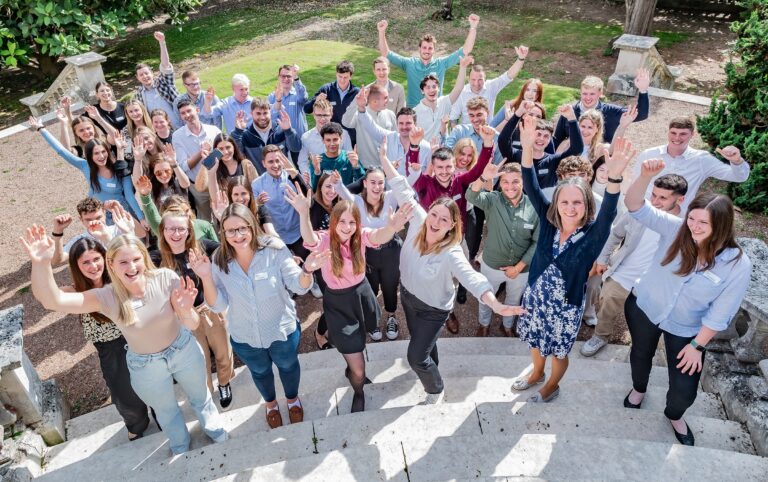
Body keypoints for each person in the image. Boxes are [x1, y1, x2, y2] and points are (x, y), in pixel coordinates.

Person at [23, 229, 228, 455]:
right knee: (166, 411)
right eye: (123, 262)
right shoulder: (106, 296)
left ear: (144, 257)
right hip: (145, 366)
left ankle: (214, 428)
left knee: (201, 397)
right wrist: (41, 263)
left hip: (183, 351)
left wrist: (186, 311)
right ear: (111, 264)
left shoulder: (166, 278)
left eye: (136, 259)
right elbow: (53, 300)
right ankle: (180, 444)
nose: (131, 267)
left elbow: (192, 324)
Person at [378, 140, 524, 404]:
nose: (436, 222)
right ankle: (431, 364)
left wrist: (495, 304)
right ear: (428, 212)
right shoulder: (418, 220)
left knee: (415, 357)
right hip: (409, 299)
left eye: (444, 220)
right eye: (434, 215)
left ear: (452, 226)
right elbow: (400, 186)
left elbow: (472, 277)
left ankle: (435, 391)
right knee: (426, 348)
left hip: (434, 309)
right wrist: (384, 158)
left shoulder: (452, 250)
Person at [622, 159, 751, 446]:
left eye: (703, 222)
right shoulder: (676, 228)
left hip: (687, 329)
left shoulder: (737, 264)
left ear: (722, 225)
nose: (693, 226)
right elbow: (635, 205)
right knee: (640, 354)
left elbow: (722, 311)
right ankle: (638, 389)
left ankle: (674, 415)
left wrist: (697, 346)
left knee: (684, 388)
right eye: (692, 218)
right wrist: (644, 177)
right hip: (645, 308)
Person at [512, 115, 634, 403]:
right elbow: (529, 183)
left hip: (566, 307)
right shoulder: (549, 220)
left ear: (587, 203)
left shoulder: (594, 233)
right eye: (564, 201)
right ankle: (535, 373)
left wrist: (615, 176)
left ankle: (550, 385)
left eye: (577, 202)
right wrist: (527, 148)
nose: (570, 207)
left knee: (558, 351)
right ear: (556, 202)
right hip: (536, 298)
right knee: (535, 342)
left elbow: (610, 209)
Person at [190, 204, 325, 427]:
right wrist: (205, 277)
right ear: (223, 232)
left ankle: (292, 400)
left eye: (242, 228)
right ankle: (270, 404)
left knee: (288, 367)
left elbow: (298, 286)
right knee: (260, 372)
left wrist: (307, 271)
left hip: (281, 330)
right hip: (245, 336)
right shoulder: (218, 259)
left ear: (252, 226)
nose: (238, 235)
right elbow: (218, 304)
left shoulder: (274, 248)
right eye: (230, 231)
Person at [285, 183, 413, 413]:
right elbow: (309, 238)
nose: (347, 226)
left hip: (361, 295)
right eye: (341, 221)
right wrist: (304, 214)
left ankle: (353, 370)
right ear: (333, 222)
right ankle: (358, 389)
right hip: (338, 303)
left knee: (360, 340)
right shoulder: (325, 239)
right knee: (359, 366)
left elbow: (378, 235)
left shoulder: (361, 236)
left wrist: (392, 227)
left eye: (351, 222)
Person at [581, 173, 688, 357]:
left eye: (663, 197)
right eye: (654, 194)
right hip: (624, 273)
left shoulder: (686, 225)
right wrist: (602, 259)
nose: (655, 201)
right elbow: (615, 234)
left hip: (655, 283)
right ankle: (600, 335)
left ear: (681, 199)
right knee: (607, 300)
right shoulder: (640, 211)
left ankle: (641, 349)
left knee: (646, 319)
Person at [407, 125, 494, 332]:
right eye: (440, 168)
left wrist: (488, 144)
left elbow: (479, 168)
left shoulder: (460, 182)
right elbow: (412, 167)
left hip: (457, 240)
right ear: (433, 167)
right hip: (432, 244)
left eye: (448, 167)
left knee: (462, 273)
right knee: (435, 278)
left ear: (454, 166)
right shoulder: (424, 183)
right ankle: (444, 312)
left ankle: (451, 304)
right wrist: (414, 145)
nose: (444, 172)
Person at [63, 238, 150, 440]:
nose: (93, 266)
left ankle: (162, 415)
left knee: (152, 381)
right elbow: (48, 297)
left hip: (137, 337)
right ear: (76, 266)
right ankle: (137, 425)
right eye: (85, 262)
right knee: (123, 393)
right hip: (110, 349)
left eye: (96, 259)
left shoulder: (120, 279)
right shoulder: (75, 291)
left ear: (106, 258)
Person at [152, 211, 235, 409]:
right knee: (199, 359)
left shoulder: (203, 246)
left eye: (181, 228)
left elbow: (232, 251)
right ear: (162, 231)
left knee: (223, 350)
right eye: (171, 228)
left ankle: (224, 383)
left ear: (189, 230)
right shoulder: (155, 257)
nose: (177, 233)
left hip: (210, 308)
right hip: (183, 317)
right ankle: (206, 391)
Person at [466, 162, 539, 337]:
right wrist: (484, 177)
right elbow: (471, 195)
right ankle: (484, 324)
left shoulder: (535, 207)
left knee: (514, 299)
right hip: (492, 264)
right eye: (505, 181)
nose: (510, 186)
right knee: (486, 297)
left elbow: (537, 242)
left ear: (523, 182)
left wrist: (518, 267)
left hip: (521, 268)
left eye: (515, 181)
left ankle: (506, 326)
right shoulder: (493, 200)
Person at [31, 117, 146, 227]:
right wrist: (41, 129)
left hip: (126, 213)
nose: (101, 156)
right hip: (104, 216)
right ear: (89, 156)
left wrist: (141, 218)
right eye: (96, 153)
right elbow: (61, 150)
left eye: (103, 152)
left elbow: (130, 196)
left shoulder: (118, 167)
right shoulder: (85, 166)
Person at [334, 168, 402, 341]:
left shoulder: (391, 197)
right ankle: (372, 321)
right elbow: (341, 191)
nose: (377, 187)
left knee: (390, 285)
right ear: (364, 183)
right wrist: (338, 182)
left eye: (380, 182)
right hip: (367, 251)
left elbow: (406, 185)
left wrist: (415, 168)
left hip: (390, 250)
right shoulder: (357, 200)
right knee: (369, 288)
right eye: (372, 182)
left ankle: (391, 316)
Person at [633, 116, 751, 212]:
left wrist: (737, 161)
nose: (677, 138)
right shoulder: (649, 154)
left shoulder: (701, 159)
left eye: (683, 134)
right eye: (673, 133)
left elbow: (739, 177)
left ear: (692, 134)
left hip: (676, 218)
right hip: (644, 211)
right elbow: (634, 184)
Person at [377, 15, 479, 106]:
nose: (427, 51)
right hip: (413, 114)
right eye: (424, 48)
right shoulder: (409, 63)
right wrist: (381, 32)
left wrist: (473, 27)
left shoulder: (441, 64)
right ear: (419, 49)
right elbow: (386, 53)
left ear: (434, 50)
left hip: (435, 113)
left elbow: (465, 50)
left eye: (430, 48)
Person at [553, 70, 650, 149]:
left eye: (592, 94)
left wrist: (643, 90)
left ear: (600, 93)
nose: (588, 97)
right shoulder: (570, 111)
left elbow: (641, 114)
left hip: (600, 160)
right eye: (585, 93)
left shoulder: (611, 111)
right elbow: (557, 139)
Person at [498, 105, 583, 188]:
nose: (541, 139)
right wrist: (518, 114)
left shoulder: (554, 161)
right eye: (538, 134)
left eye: (546, 136)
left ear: (550, 140)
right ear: (531, 135)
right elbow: (503, 140)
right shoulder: (515, 155)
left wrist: (572, 118)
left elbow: (577, 149)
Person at [251, 145, 310, 257]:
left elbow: (309, 199)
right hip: (276, 236)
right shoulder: (257, 184)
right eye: (271, 162)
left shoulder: (293, 177)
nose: (275, 165)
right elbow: (252, 211)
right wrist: (257, 203)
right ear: (263, 163)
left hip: (299, 233)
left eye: (278, 161)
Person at [172, 99, 223, 221]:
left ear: (197, 110)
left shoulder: (214, 130)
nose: (187, 115)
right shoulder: (178, 136)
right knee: (204, 219)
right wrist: (201, 153)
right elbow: (184, 166)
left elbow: (223, 153)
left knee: (222, 216)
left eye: (189, 111)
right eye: (183, 113)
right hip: (198, 186)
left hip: (217, 182)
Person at [451, 47, 528, 125]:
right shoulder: (461, 92)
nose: (476, 83)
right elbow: (453, 118)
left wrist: (521, 58)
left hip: (488, 129)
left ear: (485, 79)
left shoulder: (491, 86)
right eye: (473, 80)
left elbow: (509, 75)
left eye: (480, 80)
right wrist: (458, 136)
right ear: (468, 79)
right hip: (468, 133)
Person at [50, 199, 137, 266]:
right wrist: (58, 232)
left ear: (105, 213)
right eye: (88, 220)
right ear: (81, 220)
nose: (94, 222)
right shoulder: (80, 240)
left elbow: (138, 246)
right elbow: (56, 260)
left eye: (98, 217)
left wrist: (121, 212)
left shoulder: (118, 229)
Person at [308, 172, 340, 349]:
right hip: (322, 264)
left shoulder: (339, 204)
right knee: (332, 302)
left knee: (341, 299)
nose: (331, 190)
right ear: (319, 188)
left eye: (334, 186)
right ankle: (319, 333)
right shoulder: (313, 205)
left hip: (340, 261)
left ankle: (336, 326)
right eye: (327, 186)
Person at [413, 55, 472, 143]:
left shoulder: (445, 102)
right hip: (424, 152)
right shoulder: (415, 112)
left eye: (434, 86)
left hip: (442, 151)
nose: (432, 90)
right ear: (422, 91)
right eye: (428, 87)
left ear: (439, 88)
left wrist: (463, 67)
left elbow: (458, 88)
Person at [356, 105, 431, 173]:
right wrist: (362, 108)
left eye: (408, 123)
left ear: (415, 124)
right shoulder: (389, 138)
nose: (404, 127)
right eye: (401, 123)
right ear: (397, 124)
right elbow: (372, 127)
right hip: (391, 188)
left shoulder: (427, 148)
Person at [232, 99, 300, 173]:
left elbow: (296, 148)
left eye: (265, 113)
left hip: (283, 180)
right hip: (258, 182)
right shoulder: (245, 135)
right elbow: (237, 156)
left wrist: (288, 131)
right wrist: (238, 132)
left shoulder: (281, 129)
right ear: (251, 114)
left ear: (270, 112)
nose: (262, 117)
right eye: (258, 113)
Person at [304, 60, 361, 145]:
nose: (342, 80)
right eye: (340, 76)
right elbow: (306, 109)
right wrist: (315, 100)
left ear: (351, 76)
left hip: (351, 138)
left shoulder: (357, 93)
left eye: (345, 77)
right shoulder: (326, 89)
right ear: (336, 74)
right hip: (330, 137)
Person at [133, 31, 182, 129]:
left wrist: (162, 43)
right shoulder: (138, 95)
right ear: (138, 78)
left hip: (179, 124)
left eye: (146, 73)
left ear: (152, 73)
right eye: (141, 75)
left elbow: (165, 65)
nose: (145, 76)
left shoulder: (163, 82)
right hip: (161, 131)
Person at [342, 84, 396, 168]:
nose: (389, 100)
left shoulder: (390, 114)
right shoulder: (358, 114)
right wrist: (356, 102)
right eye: (385, 98)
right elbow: (345, 122)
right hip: (365, 167)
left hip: (387, 166)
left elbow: (395, 140)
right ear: (375, 101)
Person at [196, 133, 259, 203]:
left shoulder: (245, 164)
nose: (225, 152)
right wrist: (207, 161)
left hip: (245, 209)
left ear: (234, 147)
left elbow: (257, 189)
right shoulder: (214, 169)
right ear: (215, 151)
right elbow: (200, 188)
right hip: (225, 211)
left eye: (228, 147)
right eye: (221, 149)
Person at [299, 99, 353, 175]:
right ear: (313, 115)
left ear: (331, 114)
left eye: (325, 115)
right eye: (319, 115)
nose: (322, 118)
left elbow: (349, 158)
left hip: (340, 178)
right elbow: (302, 162)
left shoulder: (343, 134)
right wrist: (311, 178)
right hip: (317, 180)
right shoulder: (306, 137)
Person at [445, 97, 504, 164]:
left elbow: (497, 166)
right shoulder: (459, 131)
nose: (475, 119)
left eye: (479, 115)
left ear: (487, 113)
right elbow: (446, 154)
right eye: (471, 115)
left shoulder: (497, 138)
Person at [269, 64, 309, 164]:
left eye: (289, 76)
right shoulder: (272, 97)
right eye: (283, 76)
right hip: (280, 143)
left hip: (299, 141)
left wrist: (296, 77)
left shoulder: (297, 94)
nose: (286, 79)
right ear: (278, 77)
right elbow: (271, 119)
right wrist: (278, 101)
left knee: (301, 173)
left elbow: (304, 98)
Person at [309, 123, 364, 189]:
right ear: (323, 140)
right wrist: (317, 171)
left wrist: (356, 166)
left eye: (335, 139)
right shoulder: (317, 161)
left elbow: (363, 184)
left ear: (341, 139)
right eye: (328, 140)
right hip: (327, 198)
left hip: (346, 198)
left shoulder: (350, 158)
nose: (332, 144)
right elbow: (315, 188)